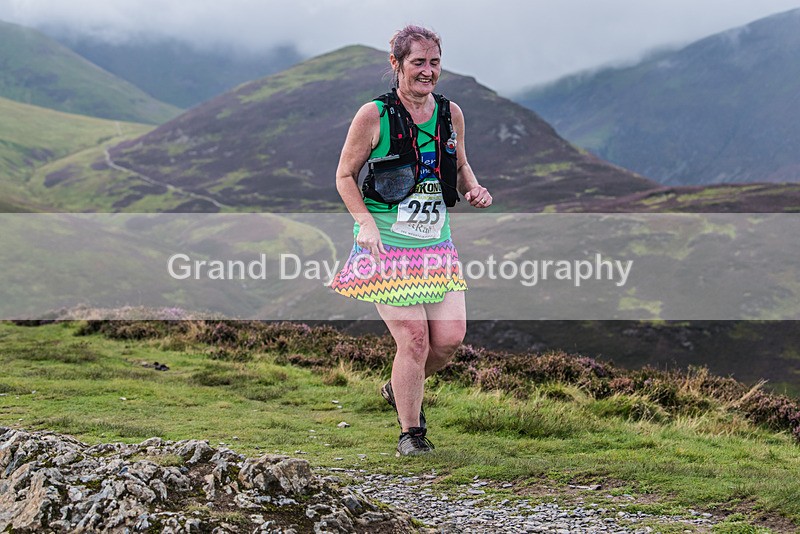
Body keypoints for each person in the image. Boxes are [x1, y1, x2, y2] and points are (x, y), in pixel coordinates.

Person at [329, 25, 492, 456]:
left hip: (436, 244)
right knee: (415, 340)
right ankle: (411, 434)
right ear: (396, 64)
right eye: (418, 62)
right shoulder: (374, 115)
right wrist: (363, 223)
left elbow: (460, 163)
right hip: (386, 243)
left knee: (449, 340)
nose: (428, 71)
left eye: (434, 62)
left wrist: (474, 187)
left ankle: (396, 386)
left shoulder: (450, 112)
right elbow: (345, 176)